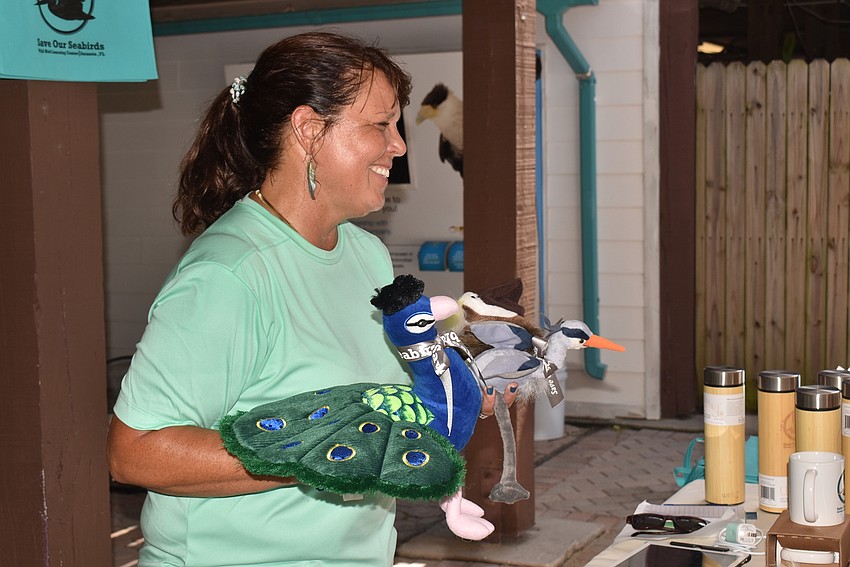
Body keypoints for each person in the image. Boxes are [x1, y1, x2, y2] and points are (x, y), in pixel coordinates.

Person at [107, 31, 517, 567]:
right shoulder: (229, 275)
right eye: (379, 125)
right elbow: (133, 452)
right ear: (307, 129)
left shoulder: (367, 255)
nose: (399, 145)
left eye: (398, 125)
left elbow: (374, 408)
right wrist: (320, 455)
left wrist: (460, 396)